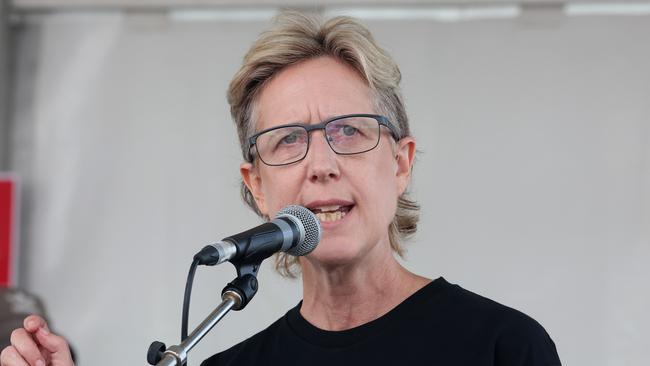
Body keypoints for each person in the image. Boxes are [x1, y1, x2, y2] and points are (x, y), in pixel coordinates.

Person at [1, 11, 561, 366]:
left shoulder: (502, 346)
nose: (320, 163)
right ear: (257, 186)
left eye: (348, 131)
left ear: (401, 163)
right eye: (288, 139)